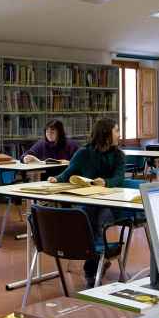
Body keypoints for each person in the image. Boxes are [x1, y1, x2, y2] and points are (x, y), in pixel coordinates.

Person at [47, 118, 125, 287]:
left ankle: (91, 267)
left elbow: (120, 177)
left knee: (100, 220)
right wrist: (57, 179)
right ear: (106, 134)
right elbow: (69, 171)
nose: (119, 134)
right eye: (116, 131)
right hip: (90, 200)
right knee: (84, 217)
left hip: (112, 203)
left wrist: (106, 182)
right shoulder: (84, 153)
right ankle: (99, 258)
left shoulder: (118, 155)